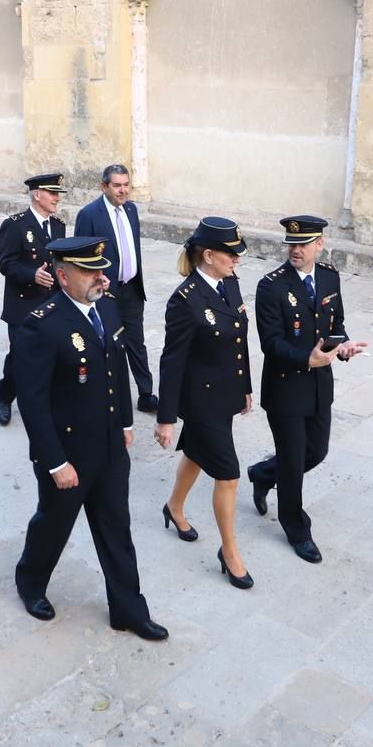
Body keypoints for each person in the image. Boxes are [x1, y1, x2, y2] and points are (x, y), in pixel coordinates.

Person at [13, 236, 167, 642]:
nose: (101, 276)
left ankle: (129, 611)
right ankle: (30, 581)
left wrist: (127, 423)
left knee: (117, 528)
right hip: (69, 454)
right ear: (63, 276)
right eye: (90, 271)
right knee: (54, 524)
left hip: (111, 448)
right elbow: (33, 401)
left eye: (102, 268)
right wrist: (55, 462)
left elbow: (118, 370)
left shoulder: (109, 308)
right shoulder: (42, 324)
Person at [248, 216, 368, 564]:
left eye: (303, 244)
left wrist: (341, 347)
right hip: (285, 388)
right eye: (291, 243)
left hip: (319, 385)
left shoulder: (329, 275)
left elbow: (336, 324)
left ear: (320, 244)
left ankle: (262, 474)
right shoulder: (271, 287)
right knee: (293, 459)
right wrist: (308, 359)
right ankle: (295, 526)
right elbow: (271, 343)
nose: (295, 250)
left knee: (315, 453)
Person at [153, 217, 255, 589]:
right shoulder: (185, 300)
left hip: (225, 392)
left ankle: (174, 508)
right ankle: (229, 552)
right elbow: (172, 360)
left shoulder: (229, 283)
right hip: (201, 400)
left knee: (196, 453)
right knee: (228, 475)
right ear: (208, 255)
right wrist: (166, 418)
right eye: (231, 255)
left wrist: (244, 386)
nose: (237, 261)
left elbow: (238, 339)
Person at [74, 164, 157, 413]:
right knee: (109, 345)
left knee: (136, 342)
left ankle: (145, 394)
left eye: (126, 185)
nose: (123, 191)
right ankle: (110, 395)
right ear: (104, 186)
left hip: (131, 289)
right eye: (117, 185)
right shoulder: (89, 214)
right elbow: (79, 258)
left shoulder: (131, 210)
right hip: (104, 293)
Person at [0, 172, 66, 425]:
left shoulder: (58, 226)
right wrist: (32, 275)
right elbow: (6, 264)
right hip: (24, 304)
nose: (57, 198)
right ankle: (5, 397)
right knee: (20, 357)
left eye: (58, 194)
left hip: (52, 304)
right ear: (38, 195)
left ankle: (46, 401)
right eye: (53, 193)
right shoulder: (15, 225)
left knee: (54, 354)